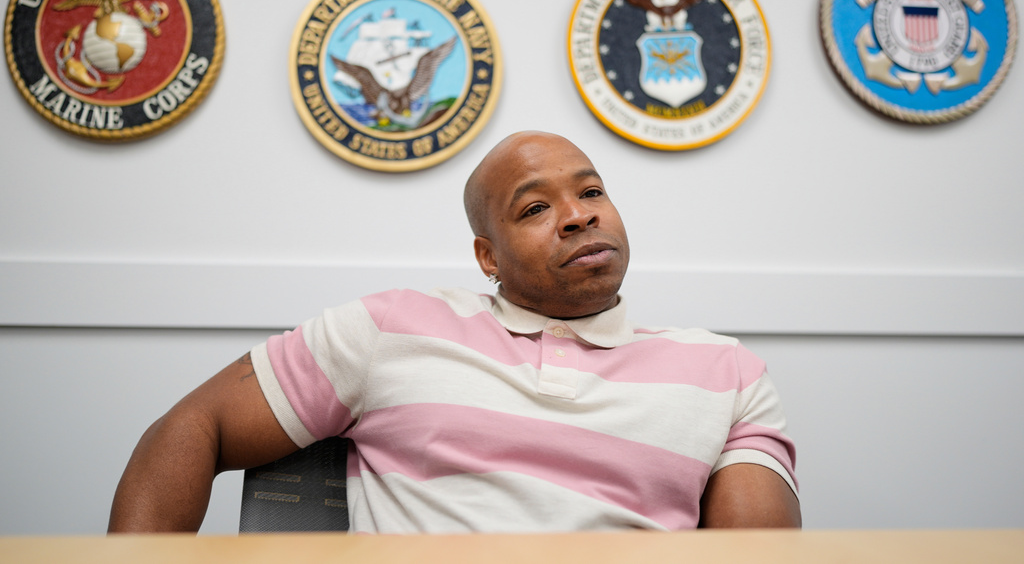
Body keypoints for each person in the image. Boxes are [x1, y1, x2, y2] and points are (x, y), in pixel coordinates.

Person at [108, 131, 800, 533]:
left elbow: (753, 557)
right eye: (535, 206)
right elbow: (194, 423)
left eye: (591, 192)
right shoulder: (390, 328)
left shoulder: (725, 370)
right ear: (488, 256)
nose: (578, 215)